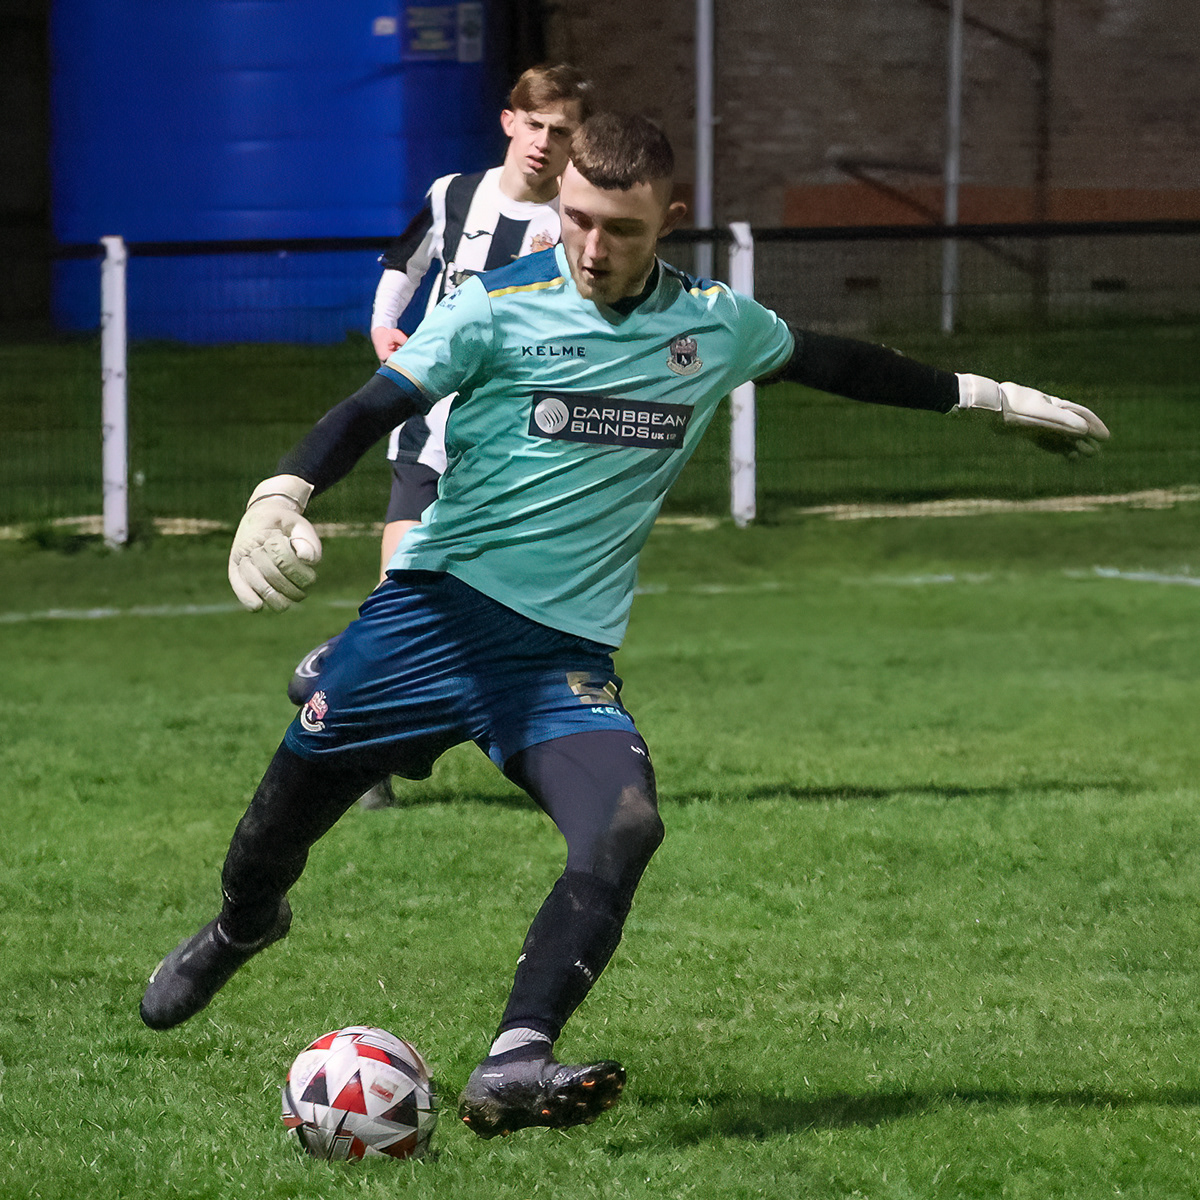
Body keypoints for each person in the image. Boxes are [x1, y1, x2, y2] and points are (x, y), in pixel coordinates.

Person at [139, 113, 1109, 1140]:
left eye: (623, 230)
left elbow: (839, 363)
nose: (594, 249)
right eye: (579, 221)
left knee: (625, 825)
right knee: (271, 834)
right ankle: (245, 926)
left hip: (559, 656)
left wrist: (993, 397)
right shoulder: (496, 308)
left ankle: (516, 1059)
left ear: (670, 223)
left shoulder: (714, 326)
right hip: (428, 621)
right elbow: (374, 404)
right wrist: (282, 488)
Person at [288, 63, 592, 809]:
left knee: (501, 594)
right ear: (509, 121)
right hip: (431, 420)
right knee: (402, 587)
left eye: (564, 132)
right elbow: (405, 260)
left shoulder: (577, 218)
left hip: (519, 436)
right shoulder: (454, 194)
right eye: (537, 125)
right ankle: (368, 755)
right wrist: (384, 324)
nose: (546, 144)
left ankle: (524, 732)